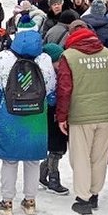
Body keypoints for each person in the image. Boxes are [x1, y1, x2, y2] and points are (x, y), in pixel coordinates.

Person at [0, 30, 57, 215]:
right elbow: (51, 92)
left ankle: (7, 202)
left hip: (9, 114)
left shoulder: (4, 58)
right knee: (33, 160)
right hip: (36, 117)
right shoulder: (44, 59)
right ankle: (30, 201)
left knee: (9, 160)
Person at [56, 26, 108, 215]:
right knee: (99, 156)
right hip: (106, 112)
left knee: (81, 157)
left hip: (81, 114)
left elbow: (64, 88)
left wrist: (62, 116)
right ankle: (94, 193)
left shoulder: (70, 56)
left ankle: (83, 199)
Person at [40, 43, 70, 195]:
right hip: (52, 113)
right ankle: (53, 177)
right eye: (59, 61)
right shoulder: (47, 77)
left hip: (58, 113)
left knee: (57, 147)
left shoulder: (61, 74)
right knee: (56, 147)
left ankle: (44, 171)